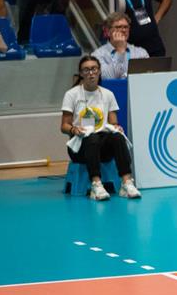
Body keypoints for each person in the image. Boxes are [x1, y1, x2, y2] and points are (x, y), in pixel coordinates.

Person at [60, 55, 143, 200]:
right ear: (81, 73)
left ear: (99, 71)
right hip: (80, 146)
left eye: (94, 69)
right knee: (92, 139)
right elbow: (64, 126)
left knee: (117, 137)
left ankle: (126, 183)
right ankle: (96, 185)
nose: (91, 73)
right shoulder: (71, 94)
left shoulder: (108, 94)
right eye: (86, 70)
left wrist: (117, 128)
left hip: (103, 146)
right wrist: (74, 130)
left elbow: (114, 122)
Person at [92, 12, 148, 79]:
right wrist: (120, 51)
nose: (123, 30)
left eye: (126, 27)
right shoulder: (98, 55)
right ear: (108, 31)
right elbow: (108, 77)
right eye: (118, 27)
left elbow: (147, 77)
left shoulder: (140, 52)